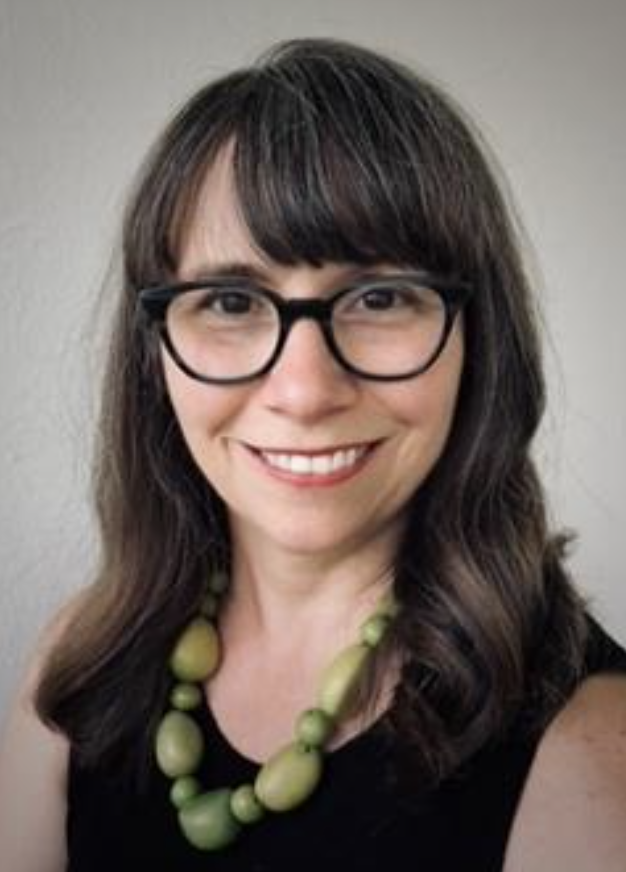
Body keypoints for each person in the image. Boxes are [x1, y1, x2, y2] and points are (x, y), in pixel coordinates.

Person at [0, 36, 625, 872]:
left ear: (478, 339)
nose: (303, 390)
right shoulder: (80, 662)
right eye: (229, 300)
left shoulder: (591, 747)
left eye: (378, 297)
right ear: (155, 349)